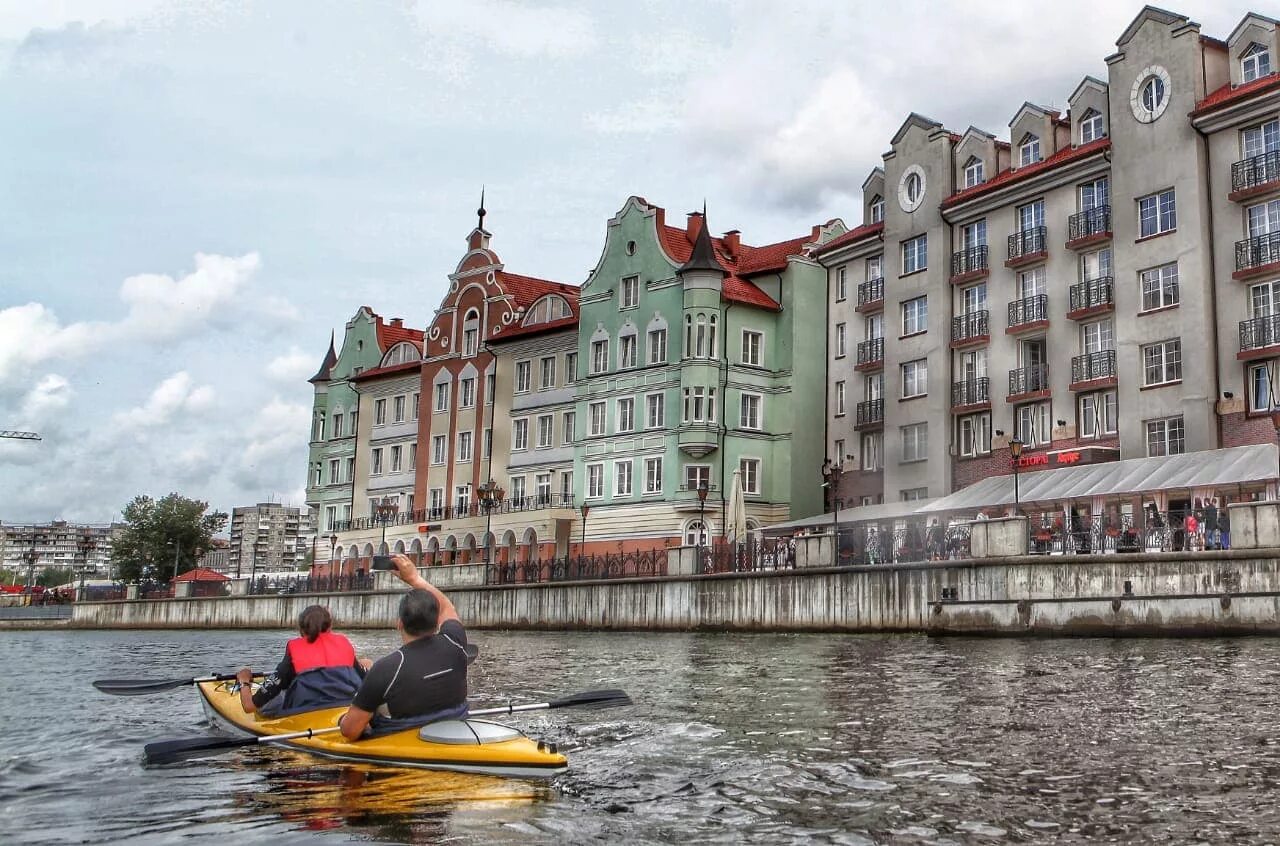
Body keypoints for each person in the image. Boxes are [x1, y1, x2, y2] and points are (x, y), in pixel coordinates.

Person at [339, 554, 469, 739]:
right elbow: (447, 607)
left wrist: (344, 719)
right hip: (454, 728)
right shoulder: (455, 641)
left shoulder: (386, 668)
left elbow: (350, 731)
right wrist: (414, 579)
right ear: (436, 622)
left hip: (407, 741)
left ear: (399, 623)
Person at [236, 605, 367, 716]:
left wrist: (244, 681)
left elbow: (249, 706)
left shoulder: (294, 653)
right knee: (367, 663)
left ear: (301, 629)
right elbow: (367, 682)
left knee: (269, 704)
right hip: (346, 708)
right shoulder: (344, 645)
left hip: (306, 713)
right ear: (330, 626)